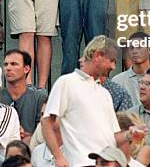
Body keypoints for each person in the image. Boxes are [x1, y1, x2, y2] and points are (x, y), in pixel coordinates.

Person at [41, 36, 137, 167]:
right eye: (112, 60)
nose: (114, 66)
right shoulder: (67, 82)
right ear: (97, 56)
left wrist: (129, 134)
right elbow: (46, 122)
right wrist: (58, 157)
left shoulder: (105, 93)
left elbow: (112, 138)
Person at [0, 50, 47, 144]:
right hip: (2, 147)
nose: (8, 68)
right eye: (5, 64)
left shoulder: (39, 97)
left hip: (31, 148)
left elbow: (43, 132)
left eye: (14, 64)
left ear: (26, 69)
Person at [112, 32, 150, 105]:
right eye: (131, 48)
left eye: (139, 47)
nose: (134, 51)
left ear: (149, 50)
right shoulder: (118, 81)